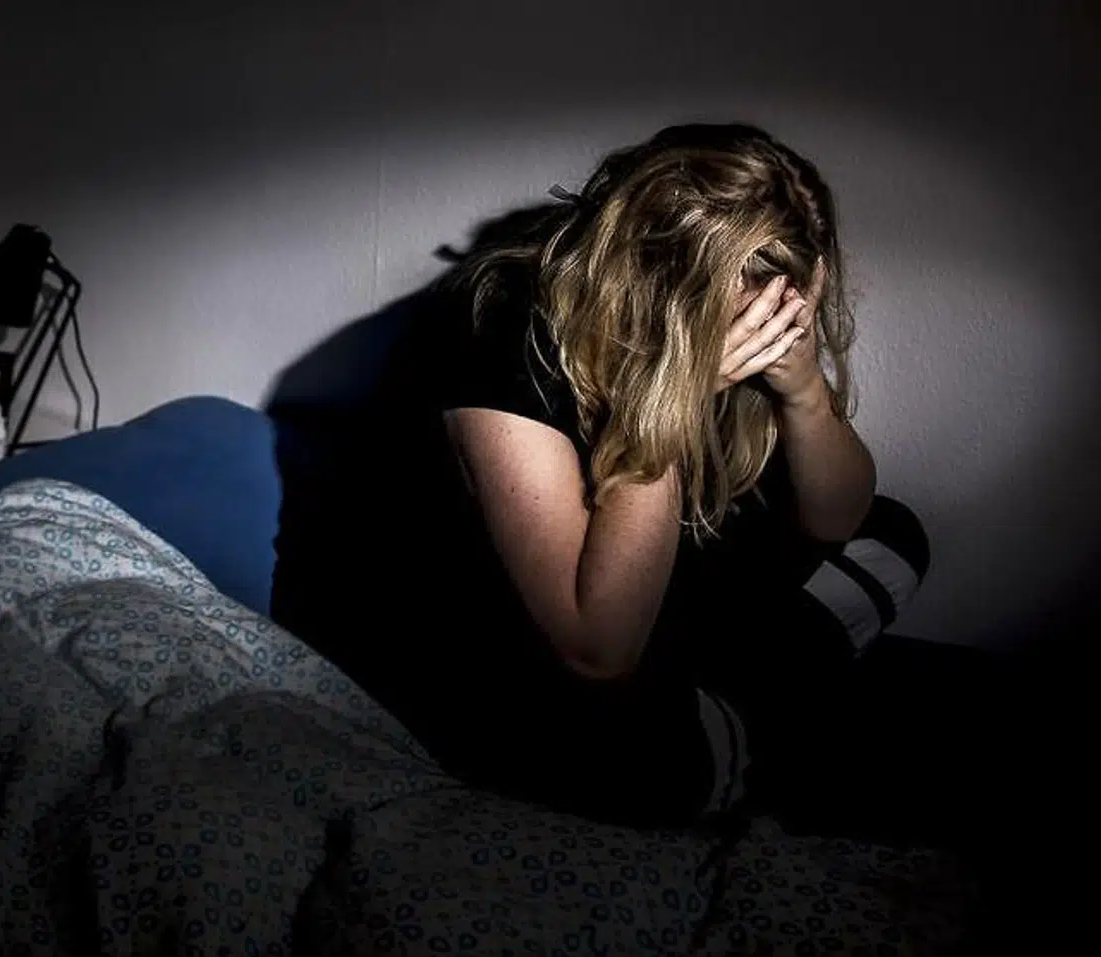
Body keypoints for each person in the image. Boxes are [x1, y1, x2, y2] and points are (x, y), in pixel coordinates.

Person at [274, 123, 960, 835]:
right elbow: (595, 644)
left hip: (652, 597)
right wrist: (671, 399)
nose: (757, 331)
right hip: (477, 639)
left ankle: (739, 720)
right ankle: (747, 727)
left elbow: (836, 520)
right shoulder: (502, 324)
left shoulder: (747, 321)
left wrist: (804, 390)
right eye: (735, 312)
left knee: (891, 533)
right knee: (630, 749)